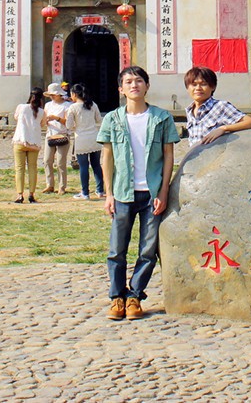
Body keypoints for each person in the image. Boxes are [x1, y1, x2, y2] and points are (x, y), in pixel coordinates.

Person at [98, 65, 180, 321]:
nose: (134, 85)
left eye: (139, 81)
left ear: (147, 86)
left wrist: (164, 190)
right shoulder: (112, 118)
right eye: (129, 81)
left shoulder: (161, 118)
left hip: (152, 194)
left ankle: (135, 296)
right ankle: (116, 298)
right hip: (123, 193)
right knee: (116, 249)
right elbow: (106, 156)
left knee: (147, 249)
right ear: (121, 89)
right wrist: (108, 193)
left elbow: (169, 156)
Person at [184, 66, 251, 148]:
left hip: (216, 158)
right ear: (187, 88)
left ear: (213, 87)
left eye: (203, 84)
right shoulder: (190, 111)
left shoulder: (221, 106)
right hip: (196, 157)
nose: (198, 88)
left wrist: (223, 128)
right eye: (194, 85)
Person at [67, 83, 105, 199]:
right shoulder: (92, 105)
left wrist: (75, 127)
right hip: (94, 137)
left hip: (81, 138)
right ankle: (100, 190)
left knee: (83, 167)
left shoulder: (73, 107)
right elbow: (99, 119)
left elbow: (68, 125)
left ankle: (85, 192)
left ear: (74, 94)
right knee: (96, 165)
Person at [11, 87, 46, 203]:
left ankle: (20, 195)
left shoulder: (21, 107)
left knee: (19, 169)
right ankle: (31, 194)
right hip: (34, 142)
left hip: (20, 140)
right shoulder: (41, 111)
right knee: (32, 168)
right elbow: (42, 124)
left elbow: (16, 117)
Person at [43, 85, 72, 194]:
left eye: (53, 95)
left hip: (63, 135)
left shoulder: (67, 106)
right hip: (50, 134)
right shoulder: (48, 105)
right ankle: (49, 184)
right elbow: (44, 118)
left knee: (60, 162)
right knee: (47, 160)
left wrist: (56, 118)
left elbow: (68, 122)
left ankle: (62, 186)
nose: (51, 97)